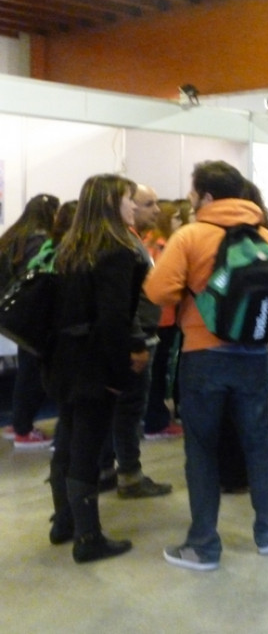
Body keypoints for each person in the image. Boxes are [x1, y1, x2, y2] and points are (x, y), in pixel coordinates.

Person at [144, 160, 268, 571]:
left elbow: (158, 290)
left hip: (203, 356)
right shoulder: (266, 236)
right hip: (254, 358)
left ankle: (204, 546)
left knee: (201, 448)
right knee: (258, 444)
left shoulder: (190, 236)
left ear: (207, 197)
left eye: (194, 194)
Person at [45, 175, 149, 563]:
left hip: (64, 361)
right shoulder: (116, 251)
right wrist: (118, 377)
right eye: (127, 199)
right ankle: (88, 538)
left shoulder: (70, 247)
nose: (133, 206)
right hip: (94, 364)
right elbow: (113, 320)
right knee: (87, 445)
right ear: (109, 203)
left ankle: (64, 521)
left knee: (68, 440)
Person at [100, 183, 173, 499]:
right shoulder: (123, 244)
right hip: (135, 339)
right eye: (145, 203)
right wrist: (138, 342)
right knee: (128, 411)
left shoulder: (119, 241)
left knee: (116, 410)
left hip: (132, 337)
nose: (155, 210)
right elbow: (121, 303)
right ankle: (129, 475)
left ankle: (106, 470)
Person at [0, 193, 60, 449]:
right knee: (33, 373)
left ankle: (19, 424)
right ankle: (23, 427)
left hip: (15, 315)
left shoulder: (12, 239)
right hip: (32, 316)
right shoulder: (39, 242)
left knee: (27, 369)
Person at [142, 200, 188, 439]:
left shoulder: (148, 242)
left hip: (157, 317)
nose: (181, 222)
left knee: (156, 371)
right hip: (163, 317)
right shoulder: (163, 246)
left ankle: (154, 416)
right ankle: (156, 421)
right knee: (158, 371)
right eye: (177, 218)